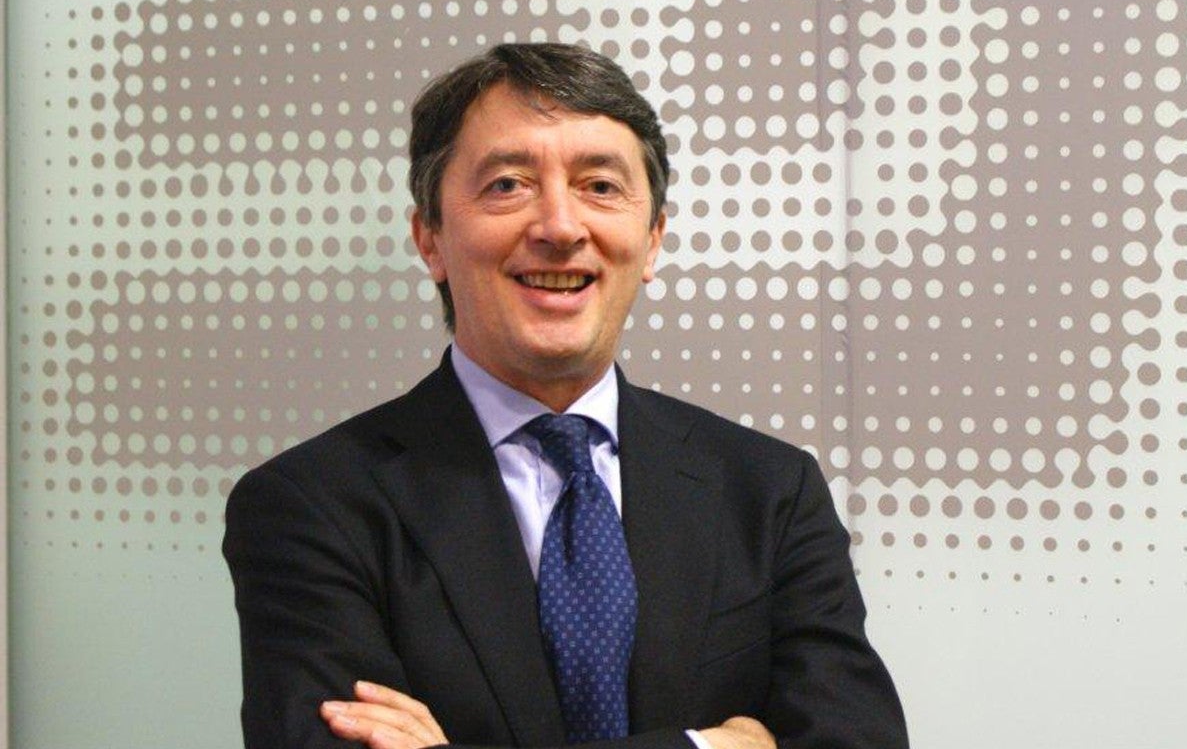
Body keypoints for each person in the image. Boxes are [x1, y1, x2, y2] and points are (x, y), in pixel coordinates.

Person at [223, 42, 908, 749]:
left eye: (600, 186)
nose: (559, 226)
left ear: (652, 239)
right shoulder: (311, 507)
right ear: (430, 239)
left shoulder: (769, 492)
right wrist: (707, 747)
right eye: (508, 185)